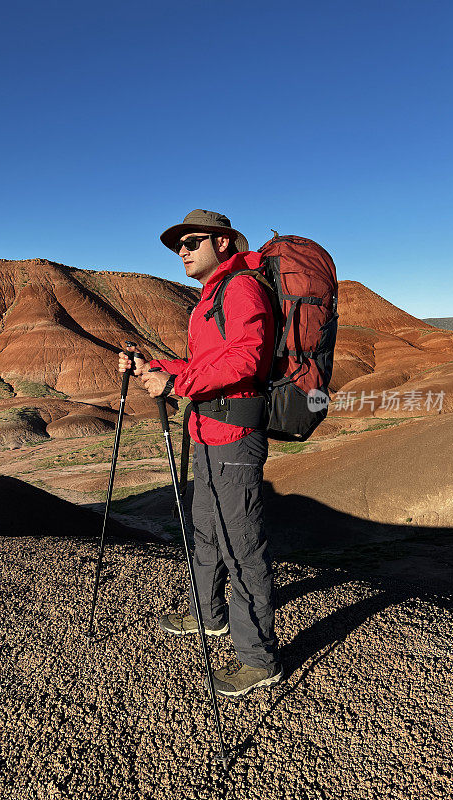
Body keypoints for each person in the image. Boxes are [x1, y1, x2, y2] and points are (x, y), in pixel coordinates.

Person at [118, 209, 283, 698]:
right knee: (206, 530)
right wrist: (155, 365)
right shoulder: (211, 297)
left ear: (225, 244)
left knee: (242, 546)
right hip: (208, 431)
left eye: (193, 241)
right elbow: (205, 362)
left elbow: (248, 357)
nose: (183, 250)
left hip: (234, 436)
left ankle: (259, 660)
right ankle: (209, 616)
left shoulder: (242, 289)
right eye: (178, 245)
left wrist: (179, 382)